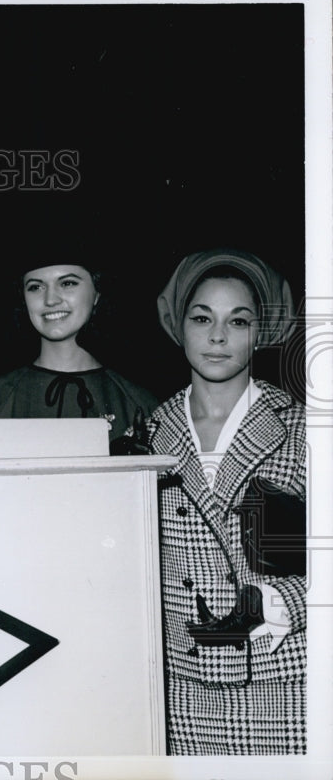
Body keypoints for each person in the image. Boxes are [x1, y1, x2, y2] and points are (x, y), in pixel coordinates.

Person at [146, 248, 305, 754]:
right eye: (202, 318)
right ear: (178, 326)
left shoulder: (305, 430)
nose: (217, 336)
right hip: (181, 696)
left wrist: (282, 601)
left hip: (287, 686)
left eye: (238, 321)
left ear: (261, 332)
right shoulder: (144, 436)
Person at [0, 250, 158, 451]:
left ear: (97, 293)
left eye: (67, 283)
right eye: (36, 287)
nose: (50, 300)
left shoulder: (138, 403)